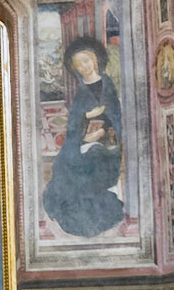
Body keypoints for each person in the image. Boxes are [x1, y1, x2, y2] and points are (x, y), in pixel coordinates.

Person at [42, 37, 124, 237]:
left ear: (95, 60)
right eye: (79, 65)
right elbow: (73, 123)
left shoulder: (108, 85)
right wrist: (86, 125)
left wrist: (102, 133)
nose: (84, 67)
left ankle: (90, 211)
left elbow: (115, 115)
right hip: (83, 142)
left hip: (107, 144)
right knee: (64, 164)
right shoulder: (81, 92)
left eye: (86, 61)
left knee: (89, 164)